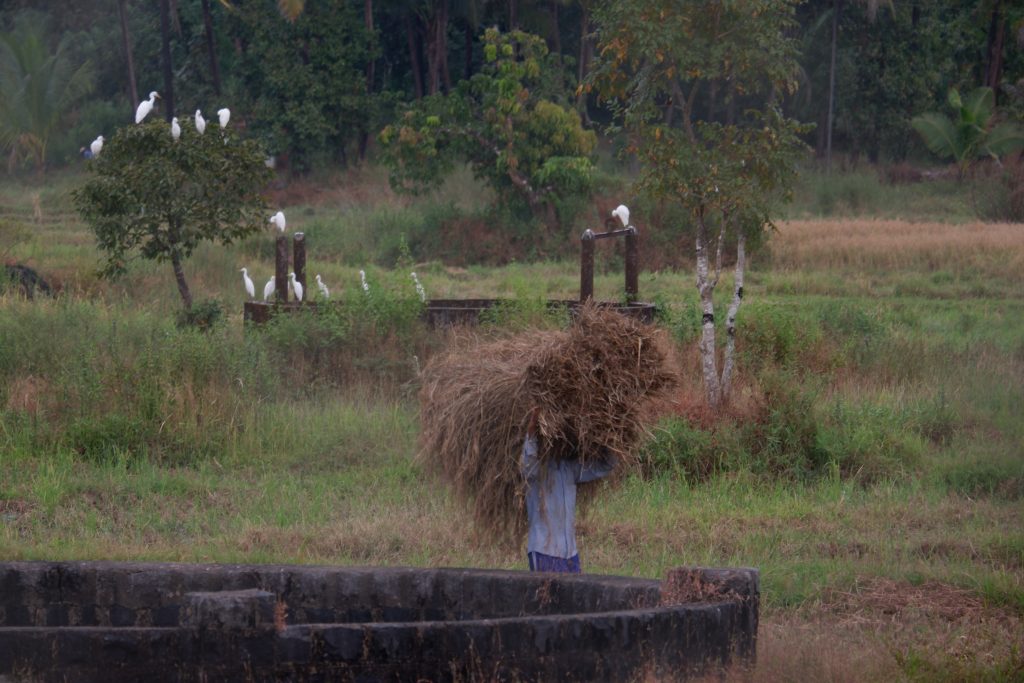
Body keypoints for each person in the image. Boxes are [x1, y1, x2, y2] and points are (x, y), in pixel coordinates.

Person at [521, 408, 614, 574]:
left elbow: (605, 466)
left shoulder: (568, 469)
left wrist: (608, 435)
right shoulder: (535, 470)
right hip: (543, 551)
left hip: (570, 555)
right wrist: (532, 428)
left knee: (572, 600)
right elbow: (528, 463)